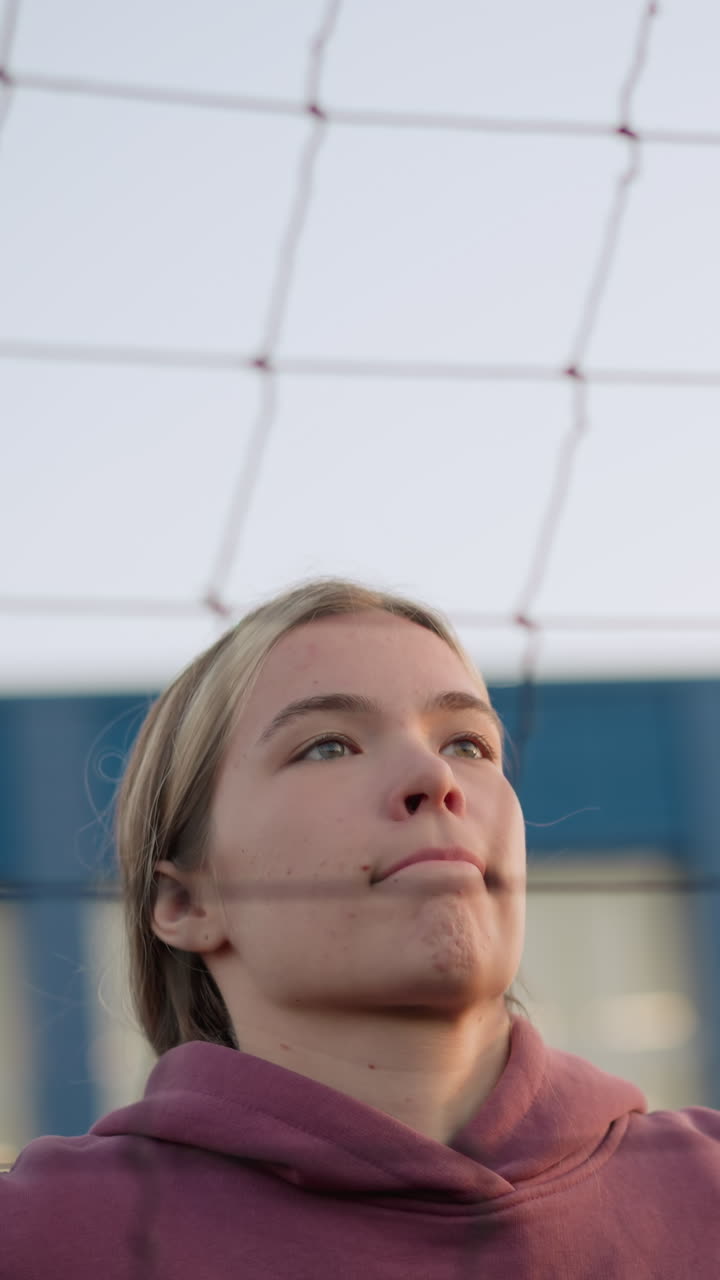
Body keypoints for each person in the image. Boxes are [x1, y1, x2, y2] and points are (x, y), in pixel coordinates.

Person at [2, 577, 719, 1279]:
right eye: (328, 746)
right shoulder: (36, 1238)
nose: (433, 776)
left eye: (467, 744)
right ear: (186, 903)